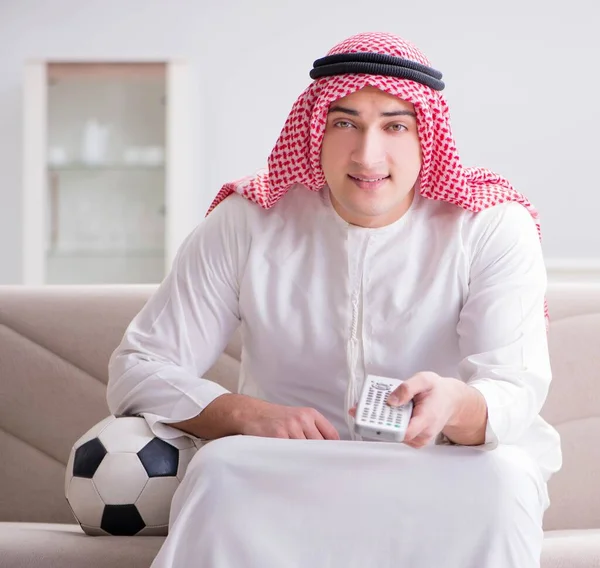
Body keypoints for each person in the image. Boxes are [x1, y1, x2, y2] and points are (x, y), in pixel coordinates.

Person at [107, 31, 562, 567]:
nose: (368, 156)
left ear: (426, 139)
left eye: (395, 126)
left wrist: (454, 405)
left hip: (439, 466)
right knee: (220, 471)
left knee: (504, 480)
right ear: (315, 132)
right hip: (286, 470)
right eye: (345, 123)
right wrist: (245, 415)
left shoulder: (489, 226)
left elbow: (512, 386)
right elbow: (139, 366)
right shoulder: (248, 221)